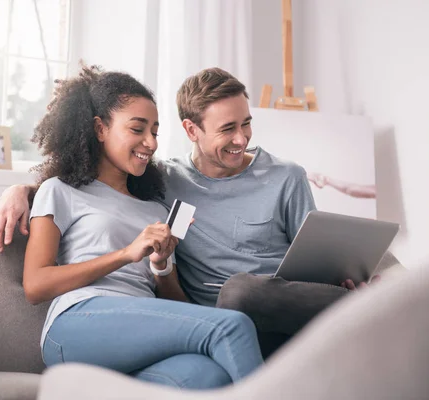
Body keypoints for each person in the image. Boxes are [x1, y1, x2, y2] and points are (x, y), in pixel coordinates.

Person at [0, 67, 378, 359]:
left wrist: (339, 283)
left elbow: (312, 260)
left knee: (248, 292)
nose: (241, 139)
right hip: (218, 324)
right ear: (192, 130)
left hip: (280, 312)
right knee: (236, 293)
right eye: (227, 129)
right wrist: (20, 190)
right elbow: (85, 187)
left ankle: (376, 307)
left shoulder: (286, 177)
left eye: (246, 124)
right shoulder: (165, 183)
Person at [20, 65, 264, 389]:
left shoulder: (155, 208)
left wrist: (160, 266)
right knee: (231, 327)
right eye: (137, 129)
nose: (150, 143)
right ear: (100, 128)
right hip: (77, 325)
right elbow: (35, 285)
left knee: (209, 378)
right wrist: (125, 254)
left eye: (155, 131)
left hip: (136, 335)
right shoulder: (60, 190)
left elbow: (175, 308)